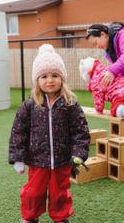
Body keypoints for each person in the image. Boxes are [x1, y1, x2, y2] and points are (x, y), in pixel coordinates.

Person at [9, 44, 90, 223]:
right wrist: (18, 157)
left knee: (59, 192)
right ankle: (30, 218)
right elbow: (18, 132)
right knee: (33, 192)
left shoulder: (70, 104)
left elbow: (80, 131)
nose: (50, 80)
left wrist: (79, 153)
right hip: (37, 161)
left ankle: (61, 218)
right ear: (37, 80)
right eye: (44, 76)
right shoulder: (30, 105)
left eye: (55, 75)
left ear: (62, 78)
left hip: (62, 161)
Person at [79, 57, 124, 128]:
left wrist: (99, 109)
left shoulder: (95, 81)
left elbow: (98, 97)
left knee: (114, 109)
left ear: (88, 74)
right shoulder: (108, 70)